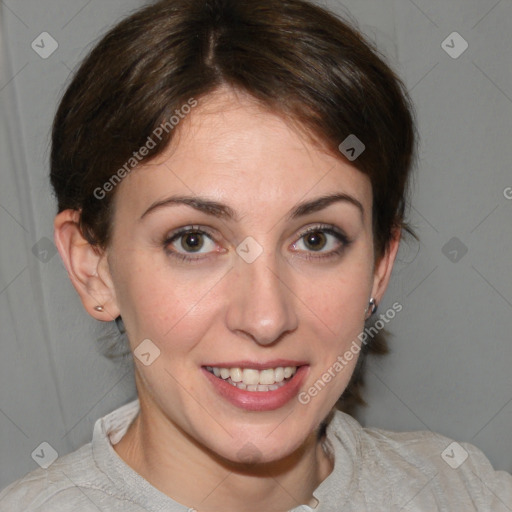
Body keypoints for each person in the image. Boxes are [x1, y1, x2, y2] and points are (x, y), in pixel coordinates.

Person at [1, 0, 511, 510]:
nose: (266, 318)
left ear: (379, 266)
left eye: (316, 239)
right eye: (193, 240)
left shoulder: (464, 493)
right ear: (94, 269)